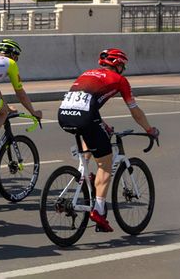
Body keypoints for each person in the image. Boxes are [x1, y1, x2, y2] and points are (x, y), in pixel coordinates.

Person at [57, 48, 158, 232]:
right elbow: (135, 111)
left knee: (90, 135)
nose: (123, 69)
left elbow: (88, 104)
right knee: (105, 163)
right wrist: (149, 130)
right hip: (85, 116)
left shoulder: (87, 73)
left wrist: (103, 124)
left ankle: (84, 174)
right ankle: (98, 209)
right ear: (117, 64)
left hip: (64, 115)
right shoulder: (120, 80)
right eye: (122, 65)